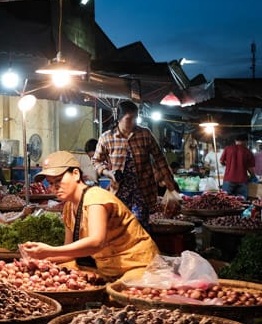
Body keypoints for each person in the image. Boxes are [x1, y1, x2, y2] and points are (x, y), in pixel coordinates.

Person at [20, 151, 159, 280]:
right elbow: (70, 252)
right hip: (109, 267)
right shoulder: (69, 207)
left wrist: (50, 250)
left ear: (76, 174)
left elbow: (96, 243)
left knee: (117, 296)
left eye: (58, 180)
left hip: (138, 264)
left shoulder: (95, 197)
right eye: (50, 183)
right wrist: (39, 258)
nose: (54, 187)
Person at [92, 100, 179, 231]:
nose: (133, 122)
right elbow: (96, 161)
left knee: (139, 226)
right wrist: (108, 173)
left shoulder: (145, 134)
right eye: (129, 118)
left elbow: (160, 159)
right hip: (119, 191)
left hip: (142, 191)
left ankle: (142, 250)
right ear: (119, 118)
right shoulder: (106, 137)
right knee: (120, 226)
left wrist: (170, 184)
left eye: (135, 118)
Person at [220, 133, 255, 198]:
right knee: (242, 202)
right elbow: (250, 168)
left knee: (225, 200)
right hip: (242, 180)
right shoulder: (248, 152)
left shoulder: (228, 149)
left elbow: (221, 161)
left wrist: (229, 164)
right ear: (246, 141)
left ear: (236, 140)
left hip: (228, 179)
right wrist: (253, 176)